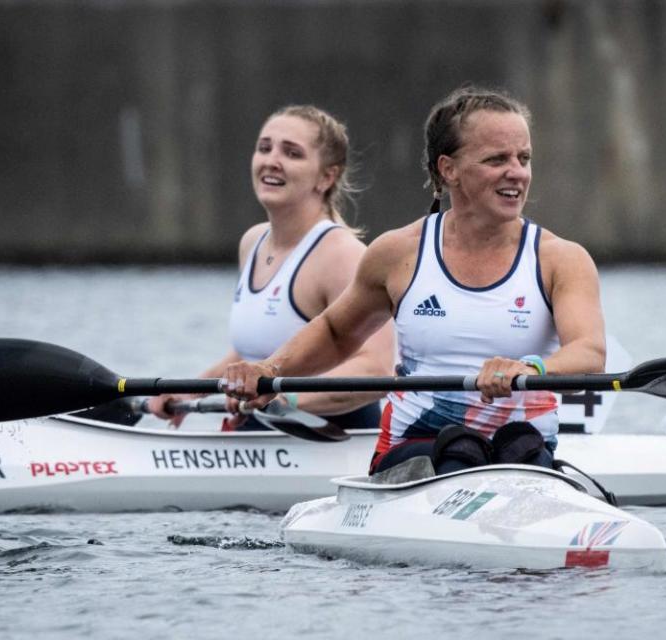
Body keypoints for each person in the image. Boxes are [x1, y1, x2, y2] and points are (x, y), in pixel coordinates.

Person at [223, 86, 605, 473]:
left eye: (523, 158)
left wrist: (533, 369)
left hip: (520, 454)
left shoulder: (561, 259)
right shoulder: (398, 254)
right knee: (460, 450)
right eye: (497, 159)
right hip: (414, 450)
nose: (517, 173)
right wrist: (269, 370)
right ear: (448, 169)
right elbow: (337, 332)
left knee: (519, 446)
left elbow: (589, 355)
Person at [149, 105, 395, 429]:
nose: (271, 161)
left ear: (326, 176)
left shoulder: (342, 255)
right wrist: (189, 390)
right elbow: (250, 354)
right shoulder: (252, 242)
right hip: (262, 427)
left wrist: (286, 399)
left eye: (292, 153)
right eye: (264, 148)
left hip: (332, 436)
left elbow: (377, 369)